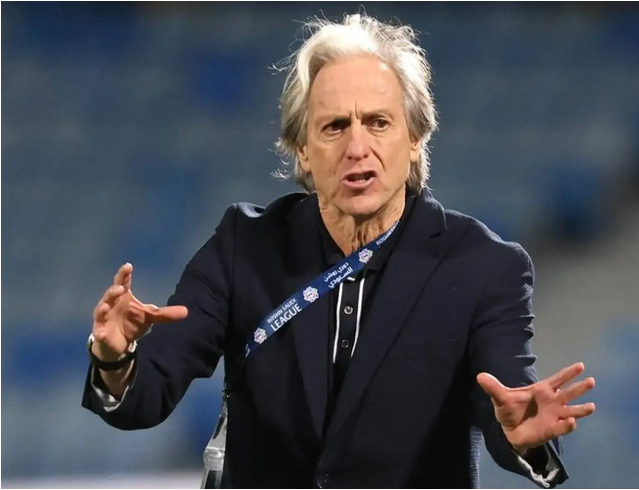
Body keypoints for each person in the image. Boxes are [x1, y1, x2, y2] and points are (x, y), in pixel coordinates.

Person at [82, 14, 595, 488]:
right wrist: (116, 358)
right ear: (302, 149)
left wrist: (523, 437)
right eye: (334, 127)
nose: (356, 147)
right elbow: (145, 396)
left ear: (415, 138)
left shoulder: (482, 266)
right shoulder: (244, 247)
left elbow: (507, 398)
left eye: (378, 122)